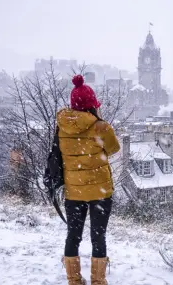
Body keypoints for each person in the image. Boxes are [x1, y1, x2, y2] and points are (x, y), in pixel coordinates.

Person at [57, 75, 120, 285]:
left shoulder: (61, 127)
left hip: (73, 191)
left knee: (73, 235)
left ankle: (73, 280)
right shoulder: (101, 127)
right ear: (93, 105)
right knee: (98, 237)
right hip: (100, 192)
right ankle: (98, 281)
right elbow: (113, 149)